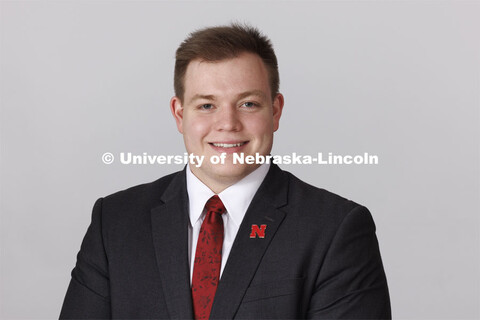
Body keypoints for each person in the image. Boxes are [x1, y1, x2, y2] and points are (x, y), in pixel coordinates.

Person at [60, 23, 391, 319]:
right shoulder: (115, 222)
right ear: (179, 114)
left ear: (275, 112)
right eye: (207, 105)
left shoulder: (335, 229)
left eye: (248, 103)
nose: (228, 124)